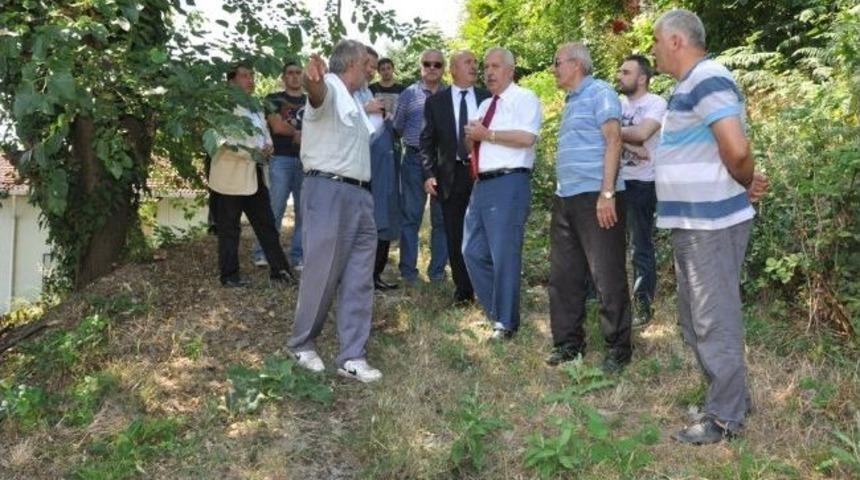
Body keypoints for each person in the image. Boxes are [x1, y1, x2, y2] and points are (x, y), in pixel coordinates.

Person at [651, 9, 768, 444]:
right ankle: (730, 398)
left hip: (710, 225)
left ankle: (724, 419)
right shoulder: (689, 85)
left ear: (677, 41)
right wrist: (742, 178)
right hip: (695, 221)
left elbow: (736, 149)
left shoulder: (708, 76)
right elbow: (714, 150)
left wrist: (743, 178)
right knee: (695, 317)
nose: (653, 50)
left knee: (713, 318)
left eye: (656, 41)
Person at [287, 40, 383, 383]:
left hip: (360, 196)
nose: (371, 68)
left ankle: (352, 356)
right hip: (328, 190)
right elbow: (315, 93)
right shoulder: (329, 90)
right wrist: (312, 79)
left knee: (360, 277)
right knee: (322, 271)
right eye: (366, 63)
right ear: (349, 64)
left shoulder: (356, 103)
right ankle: (301, 344)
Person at [545, 42, 632, 372]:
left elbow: (614, 140)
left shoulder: (600, 92)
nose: (554, 68)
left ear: (576, 64)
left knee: (607, 275)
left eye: (557, 62)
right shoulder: (571, 100)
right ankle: (568, 344)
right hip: (566, 197)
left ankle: (618, 348)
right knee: (564, 275)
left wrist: (607, 194)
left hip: (596, 197)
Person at [462, 47, 542, 340]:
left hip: (509, 183)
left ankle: (505, 323)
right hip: (481, 184)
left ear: (510, 70)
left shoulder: (525, 98)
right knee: (471, 251)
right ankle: (497, 313)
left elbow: (527, 137)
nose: (489, 72)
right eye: (486, 67)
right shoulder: (485, 106)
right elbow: (473, 145)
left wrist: (488, 135)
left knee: (504, 255)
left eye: (496, 66)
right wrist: (471, 138)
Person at [208, 62, 294, 288]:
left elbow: (265, 133)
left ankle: (280, 270)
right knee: (229, 229)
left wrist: (268, 147)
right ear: (231, 81)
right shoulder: (222, 106)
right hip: (230, 178)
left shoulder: (256, 106)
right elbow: (227, 141)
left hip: (255, 175)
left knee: (266, 225)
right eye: (245, 76)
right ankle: (229, 276)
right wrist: (255, 152)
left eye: (252, 75)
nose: (250, 80)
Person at [420, 50, 491, 304]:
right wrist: (429, 174)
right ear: (453, 69)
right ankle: (464, 291)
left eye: (475, 62)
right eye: (468, 62)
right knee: (454, 232)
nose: (474, 66)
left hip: (482, 174)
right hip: (450, 176)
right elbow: (427, 142)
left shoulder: (487, 98)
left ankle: (486, 286)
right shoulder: (436, 102)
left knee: (483, 231)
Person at [617, 54, 667, 327]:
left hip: (642, 182)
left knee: (639, 246)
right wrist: (629, 141)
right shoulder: (616, 102)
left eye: (626, 72)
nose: (619, 76)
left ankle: (643, 306)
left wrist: (617, 134)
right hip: (614, 181)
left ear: (642, 78)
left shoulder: (656, 103)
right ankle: (609, 302)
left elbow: (642, 134)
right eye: (620, 71)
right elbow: (607, 133)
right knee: (608, 244)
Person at [393, 49, 448, 284]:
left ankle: (437, 272)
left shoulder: (451, 95)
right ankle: (408, 271)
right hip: (414, 160)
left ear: (443, 68)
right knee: (410, 217)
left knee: (442, 220)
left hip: (444, 163)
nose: (432, 68)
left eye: (437, 64)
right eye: (427, 63)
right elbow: (397, 127)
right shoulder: (408, 94)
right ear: (421, 67)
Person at [250, 60, 306, 270]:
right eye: (290, 73)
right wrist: (299, 133)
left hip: (306, 161)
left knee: (304, 211)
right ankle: (262, 251)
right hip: (280, 159)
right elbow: (277, 126)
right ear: (283, 77)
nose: (294, 76)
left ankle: (298, 255)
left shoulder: (311, 102)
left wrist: (299, 133)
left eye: (298, 73)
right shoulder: (273, 99)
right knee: (275, 208)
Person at [358, 48, 401, 290]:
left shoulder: (367, 92)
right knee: (368, 222)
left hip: (386, 160)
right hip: (365, 166)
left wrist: (386, 115)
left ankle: (375, 275)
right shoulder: (349, 93)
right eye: (369, 65)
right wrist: (366, 109)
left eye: (374, 66)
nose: (372, 70)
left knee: (386, 217)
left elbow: (394, 127)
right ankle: (361, 277)